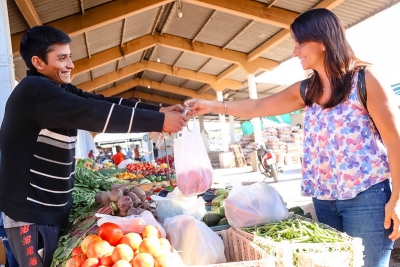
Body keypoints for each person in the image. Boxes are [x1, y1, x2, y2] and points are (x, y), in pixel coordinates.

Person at [185, 8, 400, 267]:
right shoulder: (308, 90)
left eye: (300, 43)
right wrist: (211, 106)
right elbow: (258, 107)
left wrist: (396, 199)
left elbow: (395, 142)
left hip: (367, 198)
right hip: (324, 200)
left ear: (322, 42)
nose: (295, 51)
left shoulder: (365, 81)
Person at [0, 25, 188, 267]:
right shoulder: (36, 92)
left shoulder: (55, 90)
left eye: (69, 56)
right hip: (31, 214)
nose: (70, 64)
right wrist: (159, 121)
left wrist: (158, 111)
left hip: (45, 211)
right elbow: (92, 112)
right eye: (62, 58)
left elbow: (97, 101)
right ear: (38, 62)